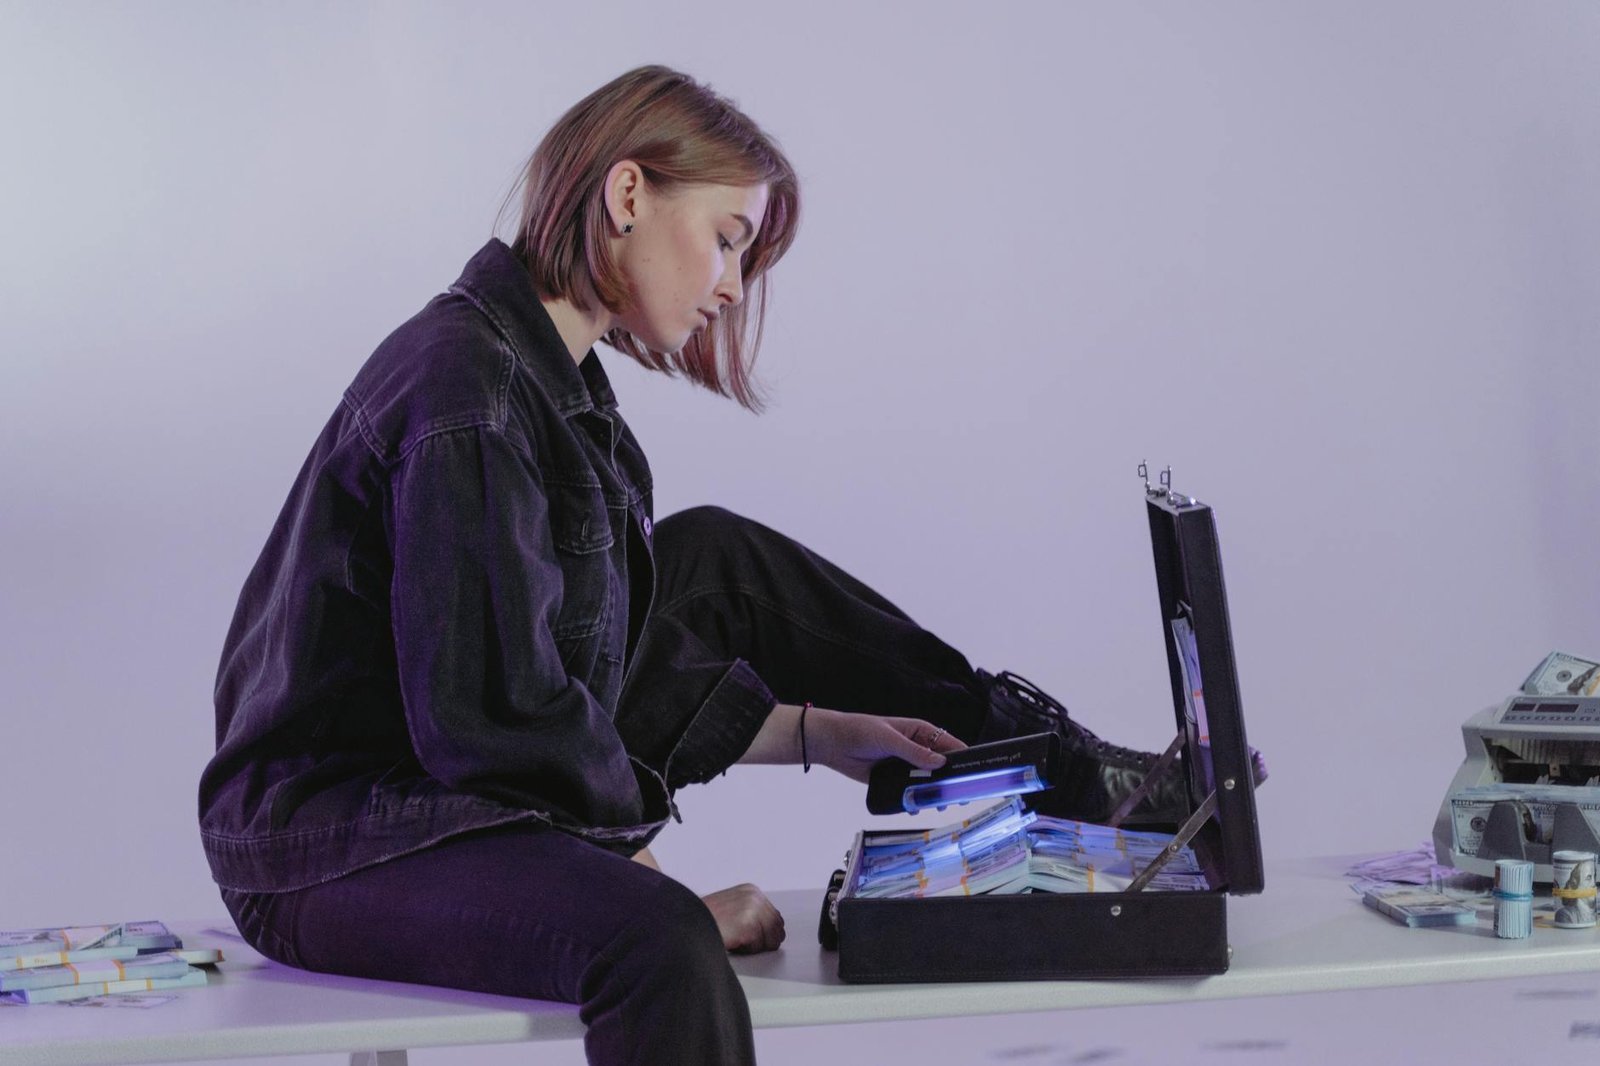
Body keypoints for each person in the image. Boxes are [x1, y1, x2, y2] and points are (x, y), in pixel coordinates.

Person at [198, 65, 1202, 1066]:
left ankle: (1046, 761)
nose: (731, 284)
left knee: (717, 558)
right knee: (659, 946)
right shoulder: (471, 390)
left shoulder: (561, 386)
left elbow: (584, 658)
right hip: (336, 841)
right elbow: (496, 720)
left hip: (432, 770)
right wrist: (647, 883)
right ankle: (1053, 771)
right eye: (726, 239)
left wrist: (819, 730)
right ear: (627, 194)